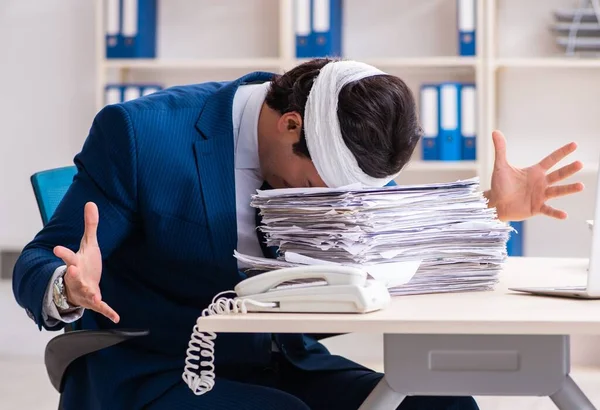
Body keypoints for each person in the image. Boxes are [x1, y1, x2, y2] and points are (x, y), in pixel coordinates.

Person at [13, 58, 583, 410]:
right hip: (151, 368)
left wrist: (489, 212)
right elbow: (38, 260)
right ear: (289, 126)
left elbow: (382, 242)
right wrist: (67, 286)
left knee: (442, 404)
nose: (329, 206)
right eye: (316, 185)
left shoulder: (333, 149)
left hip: (281, 358)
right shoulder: (143, 136)